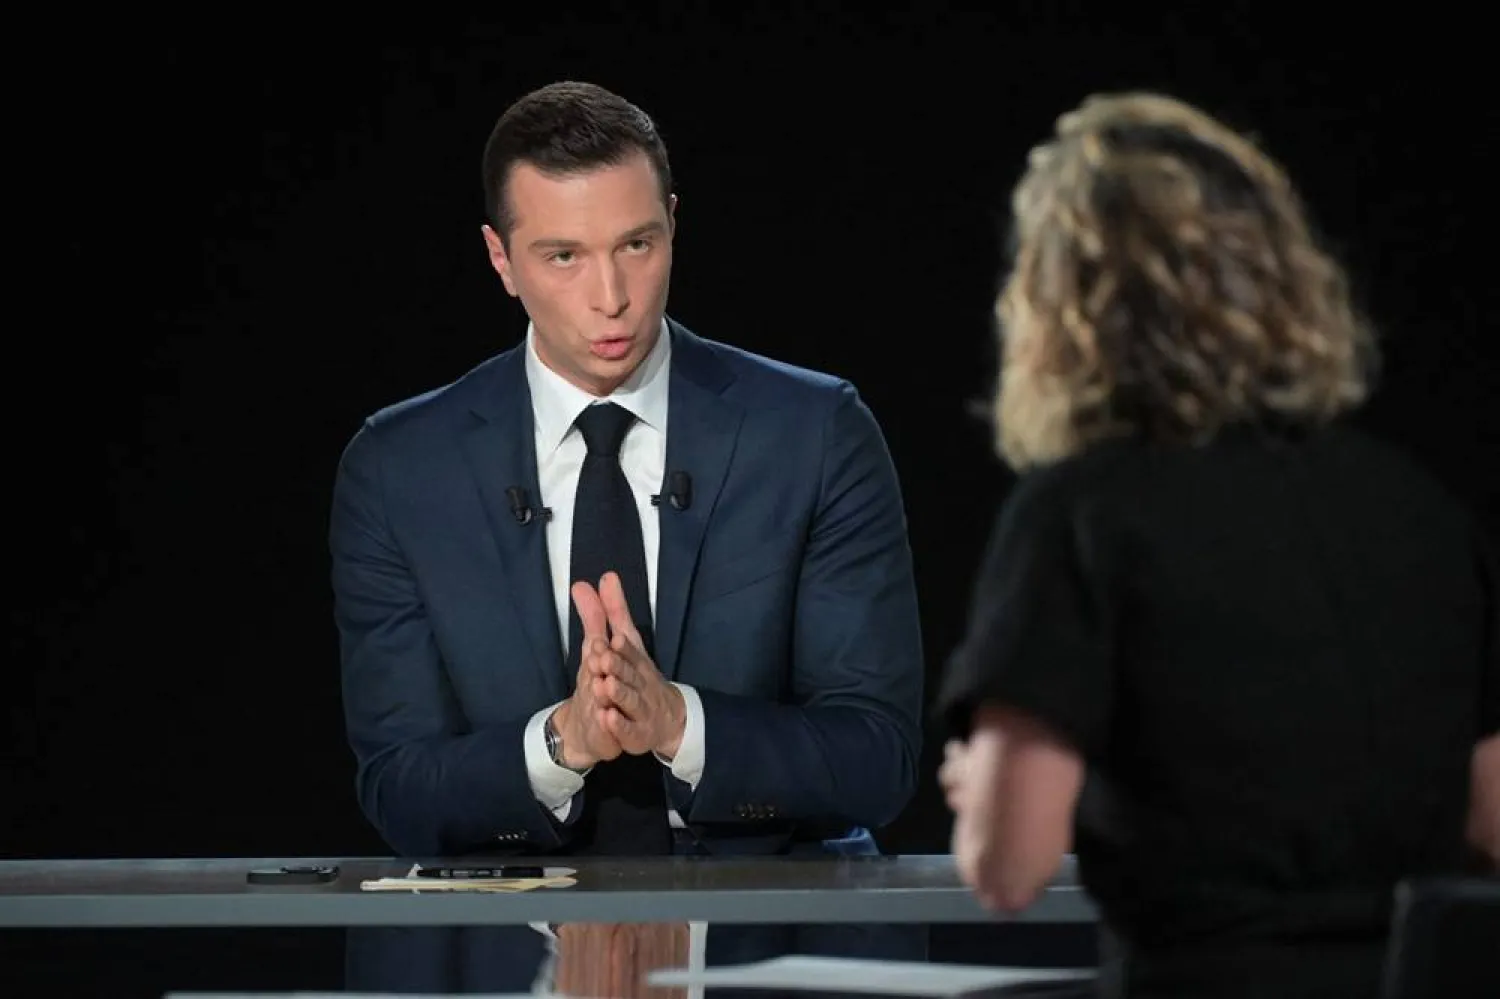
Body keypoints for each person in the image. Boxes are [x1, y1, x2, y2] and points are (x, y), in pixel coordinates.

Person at [934, 92, 1500, 999]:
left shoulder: (1078, 513)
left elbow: (1009, 864)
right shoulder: (1421, 509)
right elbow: (1492, 821)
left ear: (1061, 304)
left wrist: (978, 786)